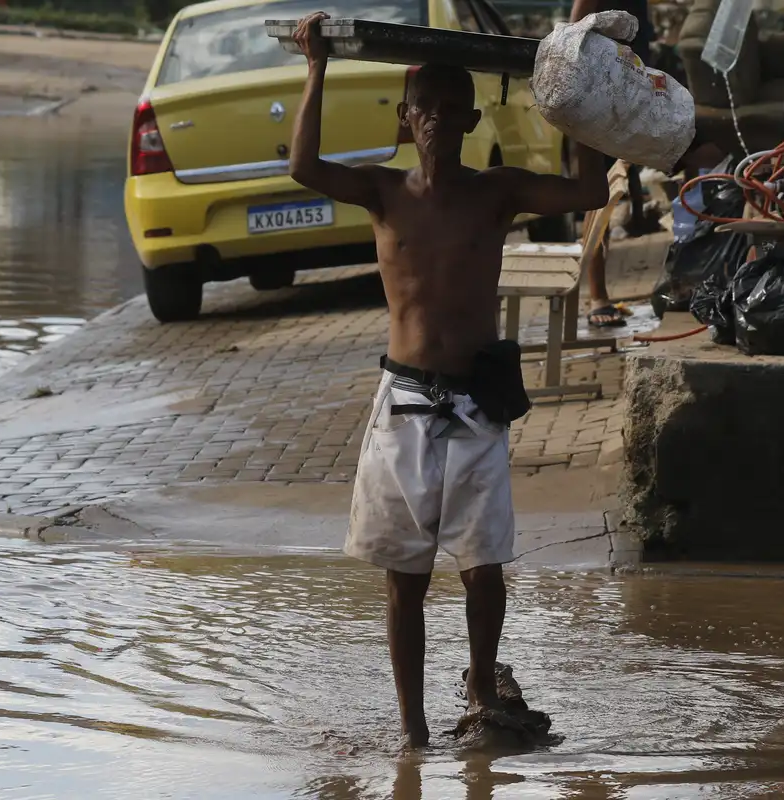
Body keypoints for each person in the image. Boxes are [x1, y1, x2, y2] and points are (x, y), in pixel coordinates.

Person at [286, 12, 610, 749]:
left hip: (474, 406)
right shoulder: (383, 191)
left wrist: (577, 94)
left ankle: (483, 692)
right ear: (405, 120)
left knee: (483, 569)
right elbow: (304, 168)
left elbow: (589, 190)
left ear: (470, 119)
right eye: (423, 108)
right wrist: (316, 67)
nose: (435, 119)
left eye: (449, 108)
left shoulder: (496, 192)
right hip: (402, 404)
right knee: (404, 577)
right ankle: (413, 731)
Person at [569, 0, 659, 327]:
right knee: (598, 194)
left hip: (630, 86)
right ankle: (597, 295)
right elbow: (574, 32)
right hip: (597, 92)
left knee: (617, 183)